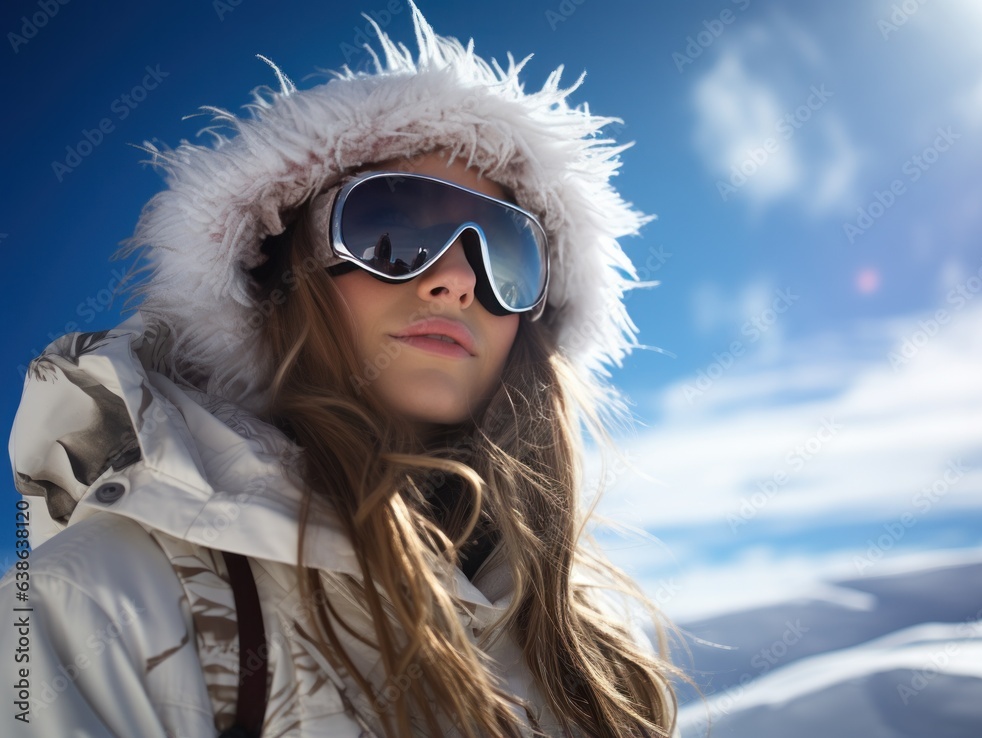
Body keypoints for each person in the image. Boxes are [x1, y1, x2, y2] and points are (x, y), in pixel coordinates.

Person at [2, 4, 682, 736]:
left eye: (505, 253)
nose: (456, 279)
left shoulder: (593, 653)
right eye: (392, 228)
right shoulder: (91, 607)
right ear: (279, 276)